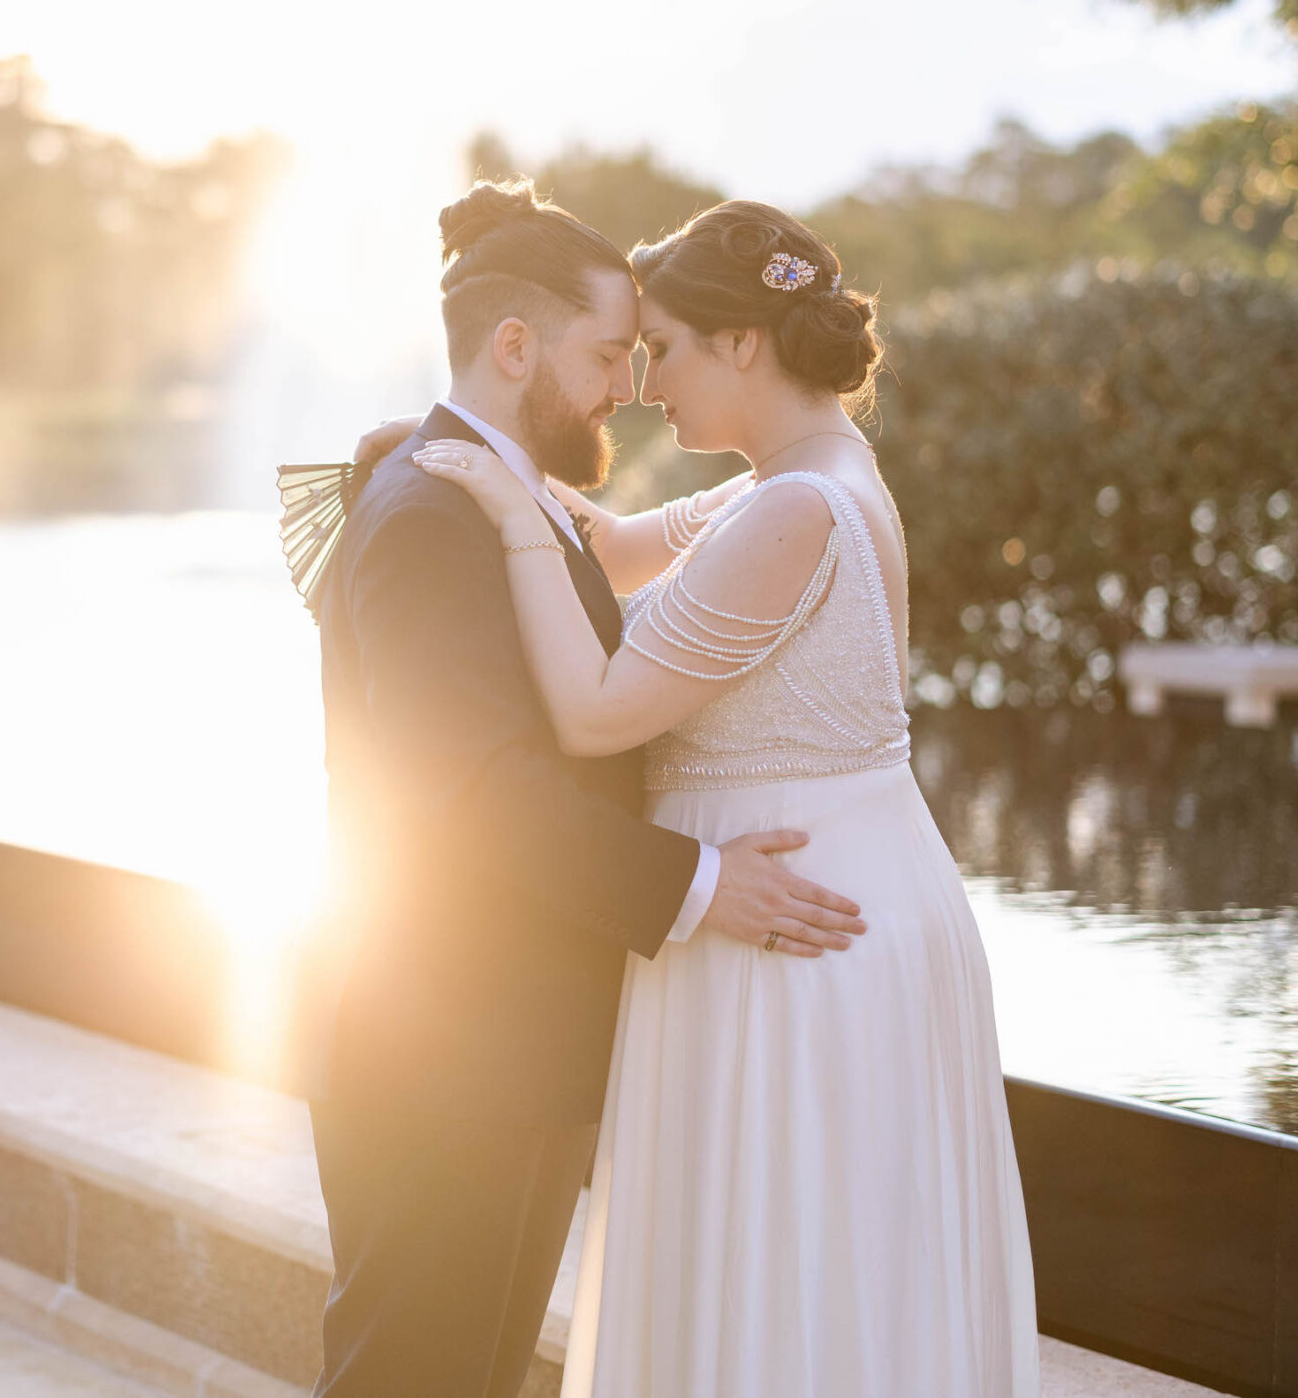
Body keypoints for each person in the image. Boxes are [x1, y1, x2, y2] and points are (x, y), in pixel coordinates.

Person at [411, 195, 1038, 1397]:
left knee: (791, 1268)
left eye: (666, 350)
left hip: (794, 934)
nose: (646, 386)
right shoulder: (801, 479)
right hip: (817, 896)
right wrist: (468, 445)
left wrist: (501, 513)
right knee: (810, 1267)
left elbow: (595, 708)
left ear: (741, 344)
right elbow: (607, 543)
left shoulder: (795, 508)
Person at [295, 181, 871, 1398]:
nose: (629, 385)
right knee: (410, 1376)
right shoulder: (423, 518)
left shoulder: (494, 495)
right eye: (610, 353)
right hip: (439, 1045)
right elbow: (469, 791)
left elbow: (609, 559)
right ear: (516, 347)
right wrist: (703, 885)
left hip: (510, 1042)